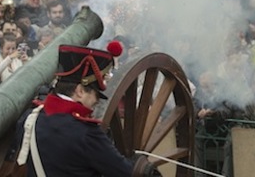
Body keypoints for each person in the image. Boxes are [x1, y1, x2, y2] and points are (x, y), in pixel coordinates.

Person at [15, 42, 156, 177]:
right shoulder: (87, 134)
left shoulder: (30, 118)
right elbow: (124, 172)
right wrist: (140, 165)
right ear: (80, 91)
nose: (96, 101)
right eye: (94, 94)